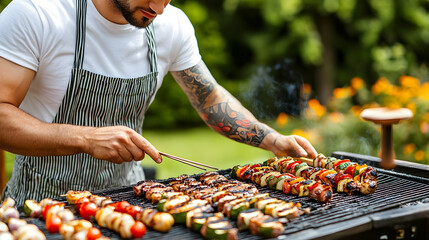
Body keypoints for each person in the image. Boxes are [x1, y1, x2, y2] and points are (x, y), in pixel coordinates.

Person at [0, 0, 317, 206]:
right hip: (42, 207)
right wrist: (86, 138)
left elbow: (209, 99)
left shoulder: (170, 26)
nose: (159, 7)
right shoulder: (37, 13)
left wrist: (274, 140)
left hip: (130, 204)